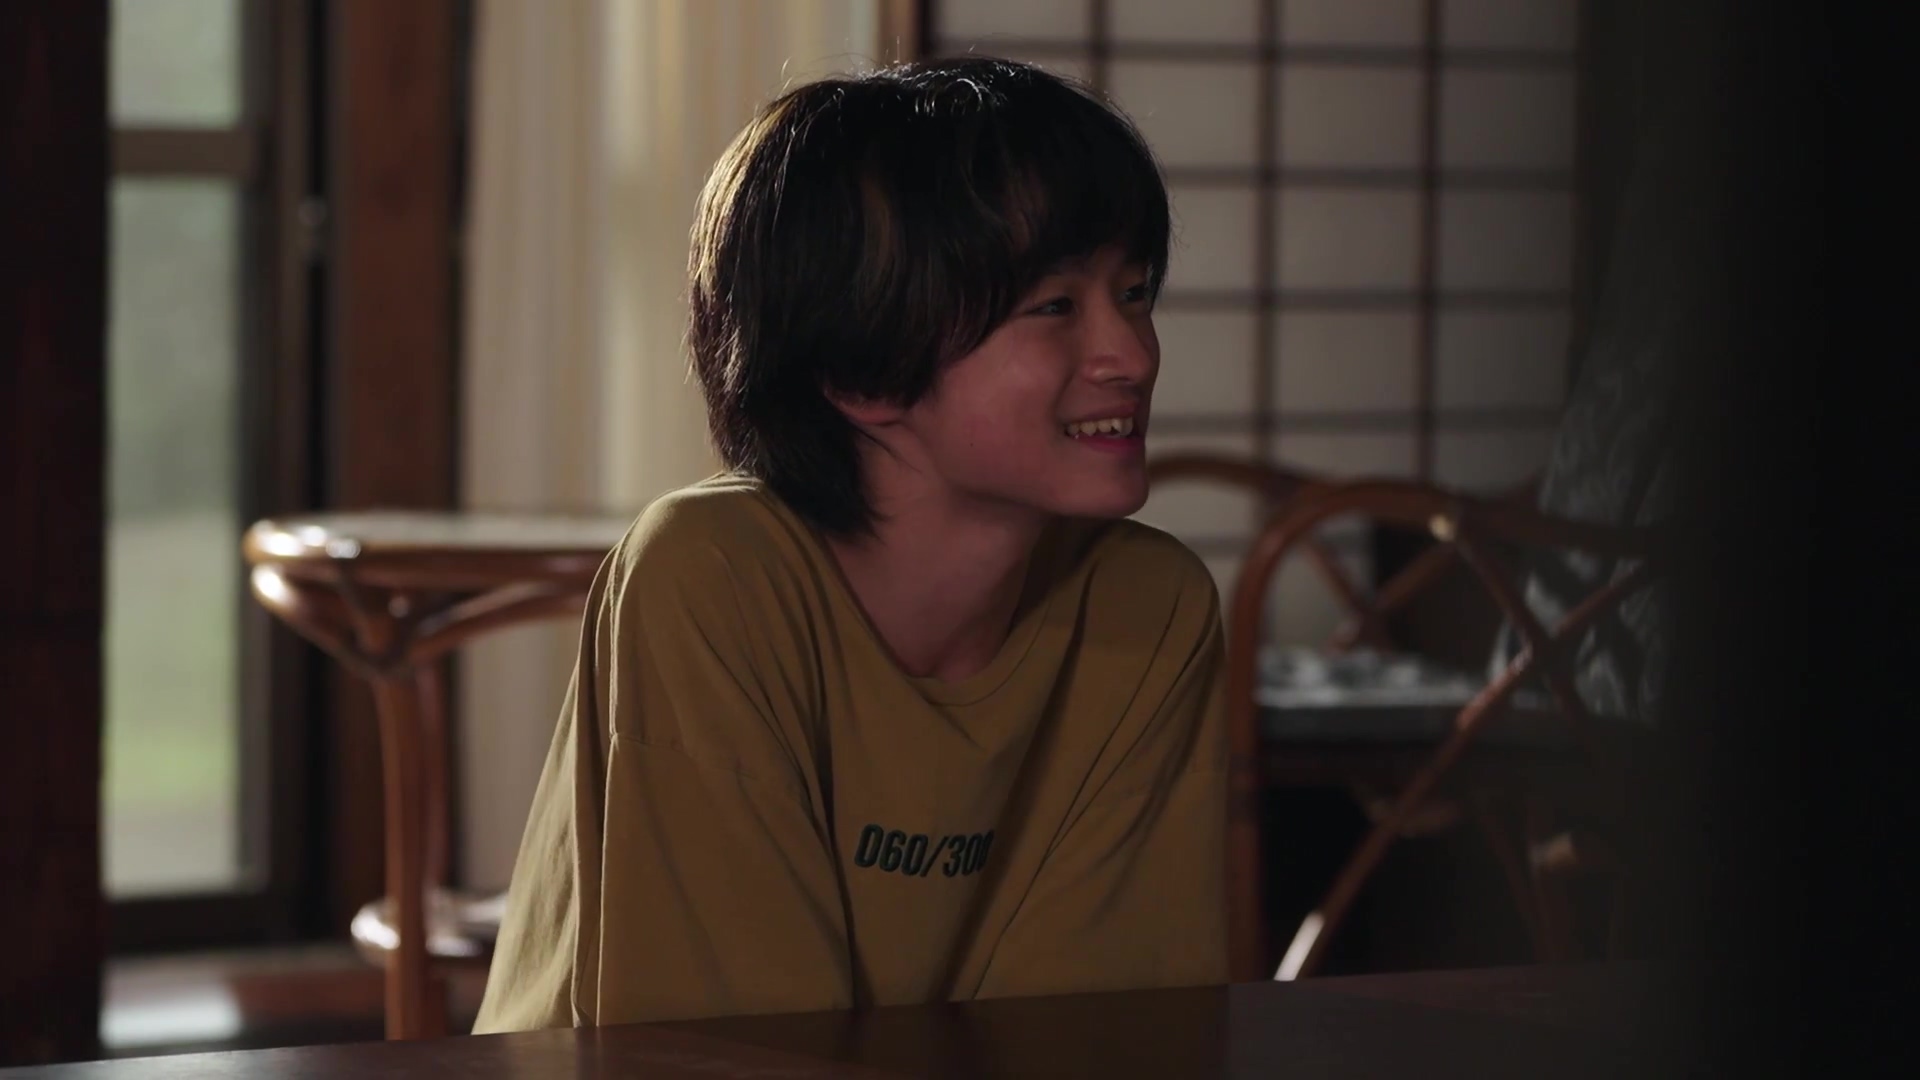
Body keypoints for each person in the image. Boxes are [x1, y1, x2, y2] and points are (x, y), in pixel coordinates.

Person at [473, 56, 1228, 1032]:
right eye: (1054, 307)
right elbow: (728, 1051)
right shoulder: (714, 580)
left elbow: (1101, 1031)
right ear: (862, 366)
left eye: (1133, 292)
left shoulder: (1149, 608)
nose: (1132, 353)